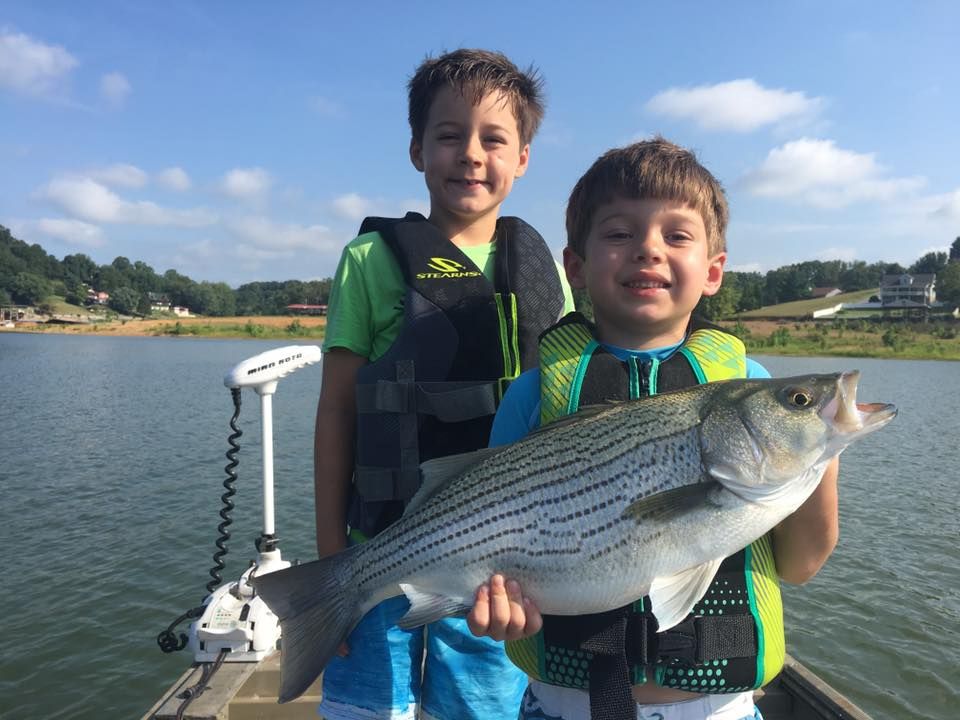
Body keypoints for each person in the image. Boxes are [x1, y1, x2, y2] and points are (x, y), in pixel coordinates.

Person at [467, 138, 840, 720]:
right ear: (576, 268)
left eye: (677, 235)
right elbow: (482, 536)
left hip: (719, 708)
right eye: (618, 234)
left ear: (714, 270)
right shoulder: (533, 394)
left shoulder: (750, 382)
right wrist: (494, 606)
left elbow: (800, 565)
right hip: (563, 705)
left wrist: (819, 451)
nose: (647, 249)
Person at [313, 48, 575, 720]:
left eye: (494, 139)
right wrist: (330, 556)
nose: (470, 155)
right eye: (449, 136)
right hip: (380, 539)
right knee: (369, 708)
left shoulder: (544, 272)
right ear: (416, 150)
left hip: (500, 567)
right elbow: (337, 410)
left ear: (522, 159)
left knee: (481, 708)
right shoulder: (369, 260)